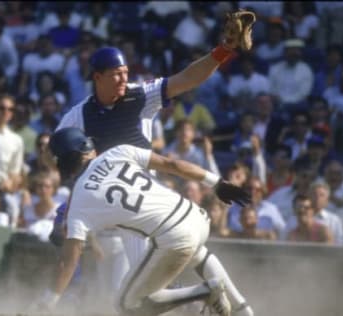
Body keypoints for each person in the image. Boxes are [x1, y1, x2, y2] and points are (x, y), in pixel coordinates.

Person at [55, 13, 249, 306]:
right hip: (118, 206)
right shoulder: (78, 115)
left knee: (141, 296)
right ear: (97, 77)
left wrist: (223, 51)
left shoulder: (140, 95)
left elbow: (187, 79)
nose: (124, 78)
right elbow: (59, 152)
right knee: (185, 260)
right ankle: (240, 309)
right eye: (116, 73)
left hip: (144, 198)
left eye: (125, 71)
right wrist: (69, 203)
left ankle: (227, 303)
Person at [35, 127, 254, 316]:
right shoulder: (117, 151)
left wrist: (47, 302)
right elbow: (173, 164)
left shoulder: (80, 198)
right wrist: (216, 182)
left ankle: (205, 291)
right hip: (195, 216)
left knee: (126, 305)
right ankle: (242, 309)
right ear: (84, 150)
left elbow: (68, 261)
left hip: (173, 235)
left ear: (61, 161)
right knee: (197, 253)